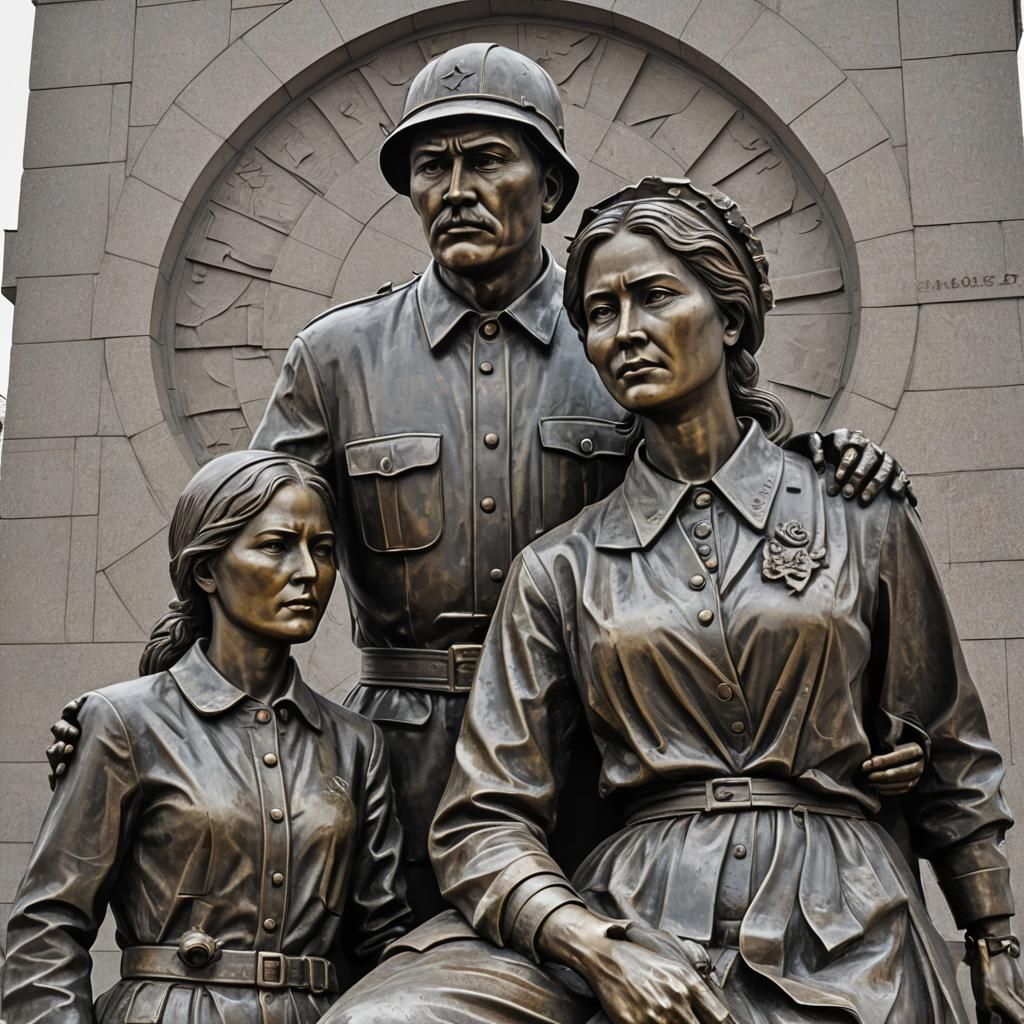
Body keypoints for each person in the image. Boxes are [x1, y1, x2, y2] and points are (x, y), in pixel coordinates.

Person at [45, 44, 916, 922]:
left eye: (489, 159)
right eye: (432, 165)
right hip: (394, 757)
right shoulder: (336, 355)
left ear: (550, 186)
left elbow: (726, 472)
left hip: (605, 756)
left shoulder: (618, 340)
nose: (455, 188)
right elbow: (248, 547)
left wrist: (825, 458)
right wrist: (154, 715)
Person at [324, 178, 1024, 1024]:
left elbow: (949, 749)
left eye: (655, 297)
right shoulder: (560, 567)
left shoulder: (859, 512)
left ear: (728, 316)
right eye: (600, 312)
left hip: (844, 920)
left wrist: (993, 942)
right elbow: (483, 822)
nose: (627, 333)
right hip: (636, 910)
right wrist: (597, 946)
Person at [1, 451, 411, 1024]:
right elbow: (47, 929)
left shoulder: (355, 743)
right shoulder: (124, 721)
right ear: (206, 570)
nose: (307, 572)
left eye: (321, 550)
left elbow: (385, 938)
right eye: (275, 546)